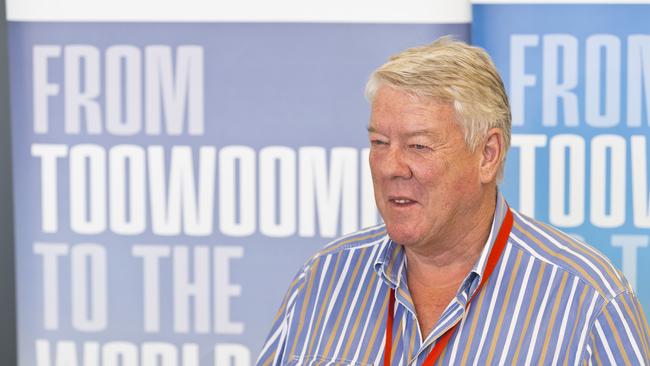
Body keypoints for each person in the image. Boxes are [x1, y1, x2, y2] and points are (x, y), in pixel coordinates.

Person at [256, 38, 650, 365]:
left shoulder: (587, 300)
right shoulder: (323, 279)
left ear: (488, 154)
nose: (391, 166)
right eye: (378, 143)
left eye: (418, 146)